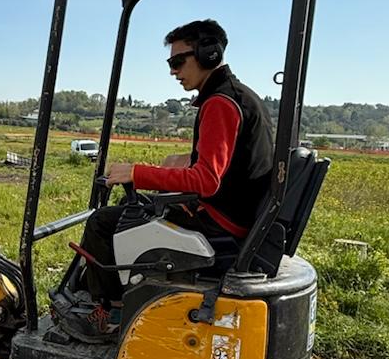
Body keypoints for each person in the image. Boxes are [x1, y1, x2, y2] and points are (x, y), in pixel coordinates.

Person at [52, 19, 273, 340]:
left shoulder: (220, 104)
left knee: (103, 221)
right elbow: (231, 163)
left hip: (219, 223)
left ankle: (107, 312)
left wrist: (136, 172)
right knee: (131, 212)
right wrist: (180, 162)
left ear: (209, 55)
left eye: (178, 61)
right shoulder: (238, 96)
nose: (173, 70)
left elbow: (208, 180)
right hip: (235, 214)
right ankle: (107, 299)